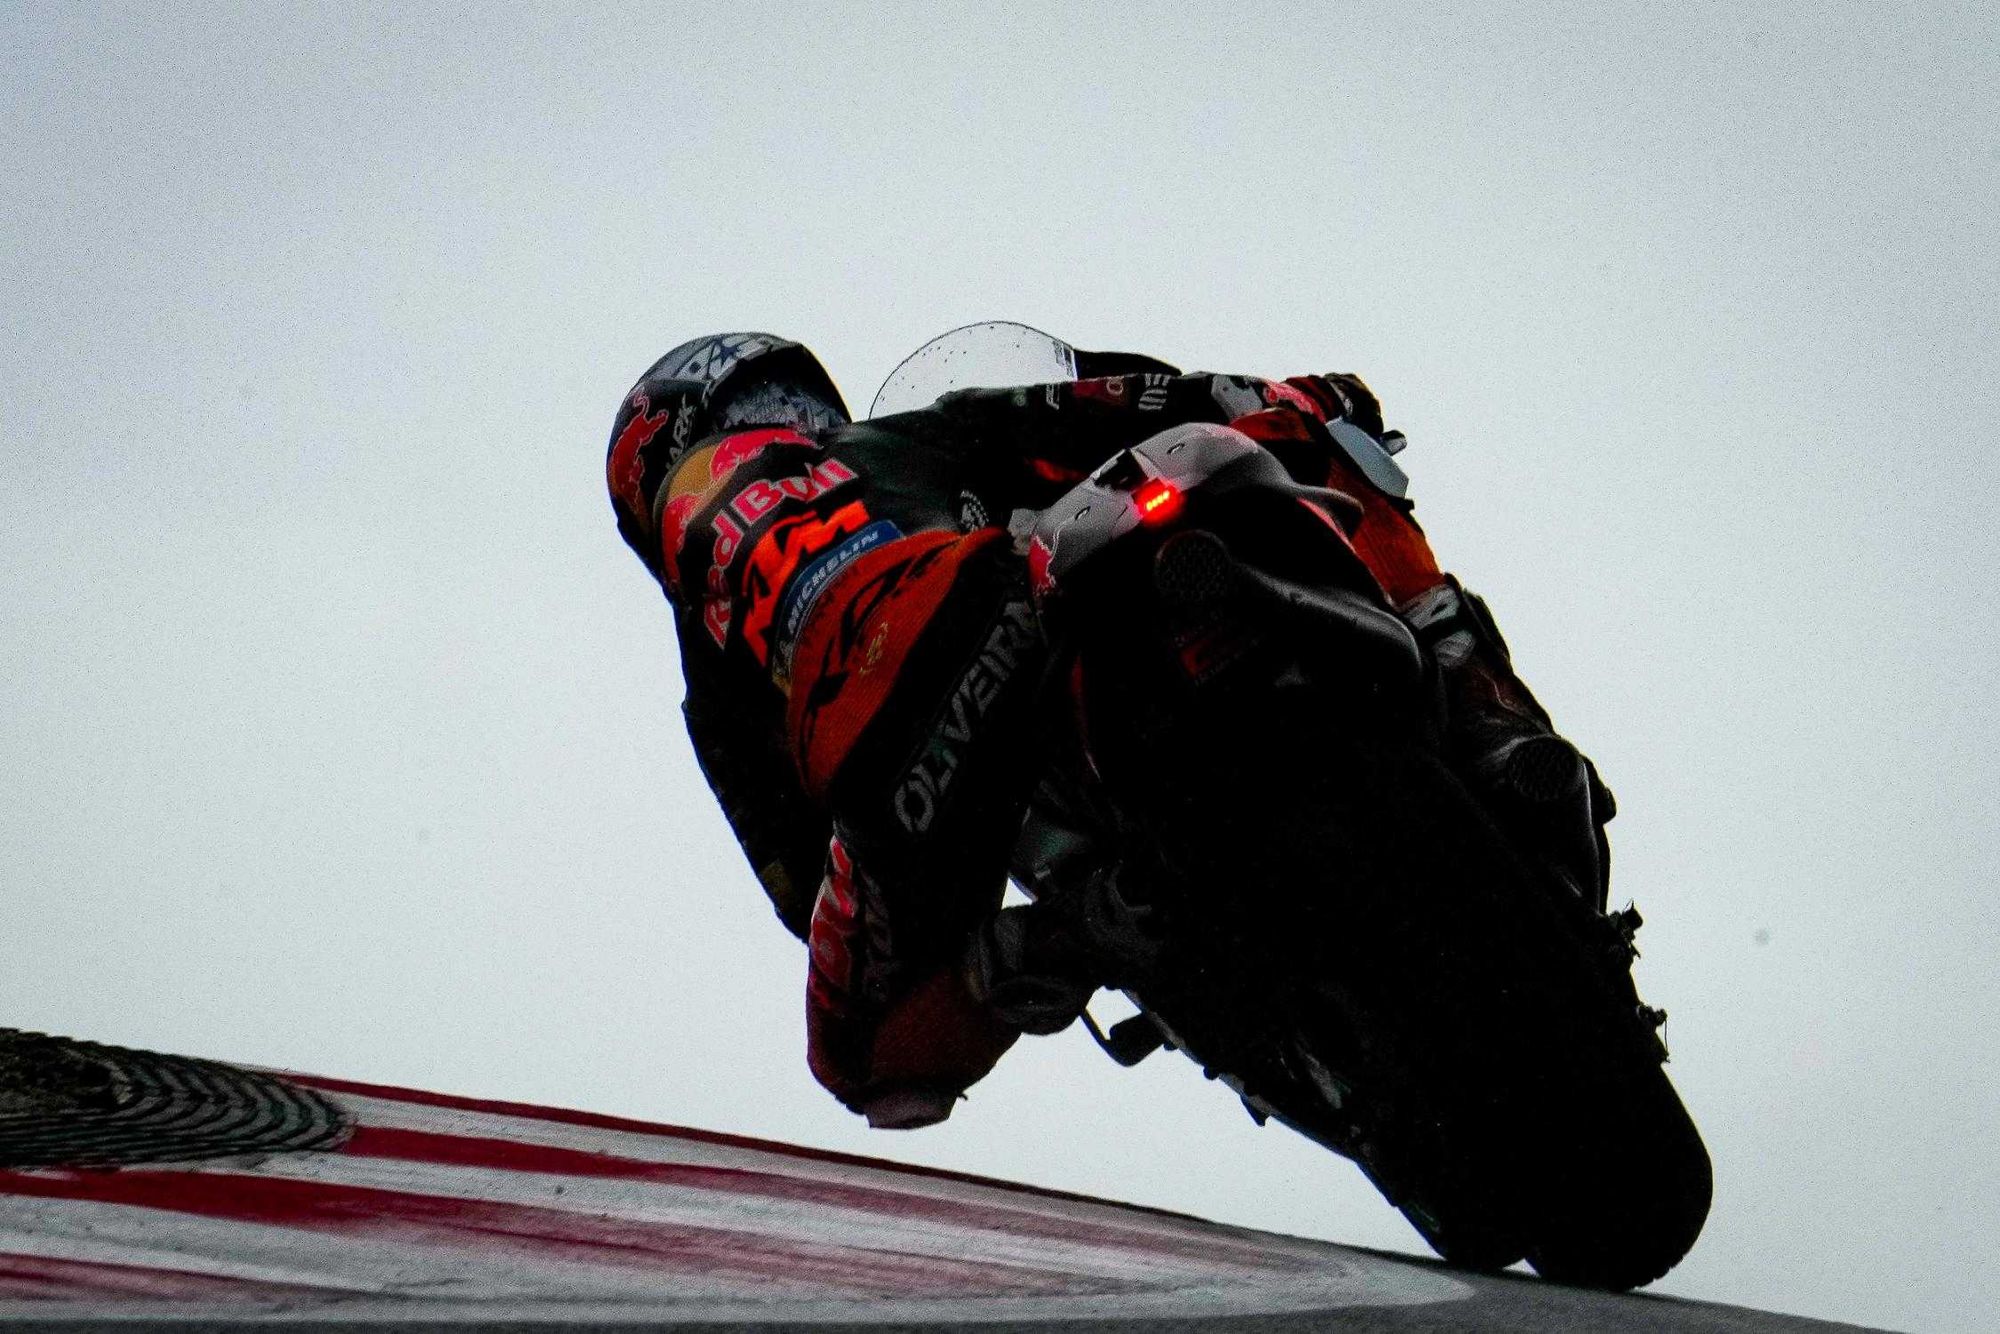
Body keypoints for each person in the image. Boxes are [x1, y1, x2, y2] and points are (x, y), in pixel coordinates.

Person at [606, 331, 1614, 1129]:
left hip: (998, 689)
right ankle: (1478, 705)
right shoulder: (925, 437)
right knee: (1291, 429)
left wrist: (959, 928)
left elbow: (808, 894)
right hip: (1030, 653)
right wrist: (1304, 397)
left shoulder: (728, 685)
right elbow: (1166, 397)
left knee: (857, 1057)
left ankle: (1085, 925)